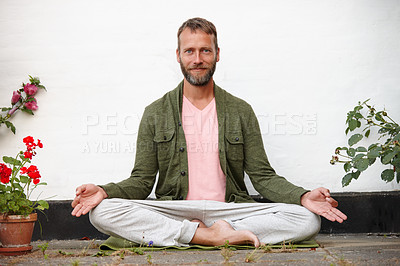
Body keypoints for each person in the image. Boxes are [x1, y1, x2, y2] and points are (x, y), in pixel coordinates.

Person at [71, 17, 347, 248]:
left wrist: (302, 196)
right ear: (178, 56)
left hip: (230, 209)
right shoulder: (155, 112)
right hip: (176, 210)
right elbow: (142, 181)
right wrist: (105, 192)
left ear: (217, 54)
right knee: (103, 213)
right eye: (189, 51)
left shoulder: (241, 110)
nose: (198, 59)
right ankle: (206, 236)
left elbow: (262, 176)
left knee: (307, 219)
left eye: (205, 50)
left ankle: (219, 230)